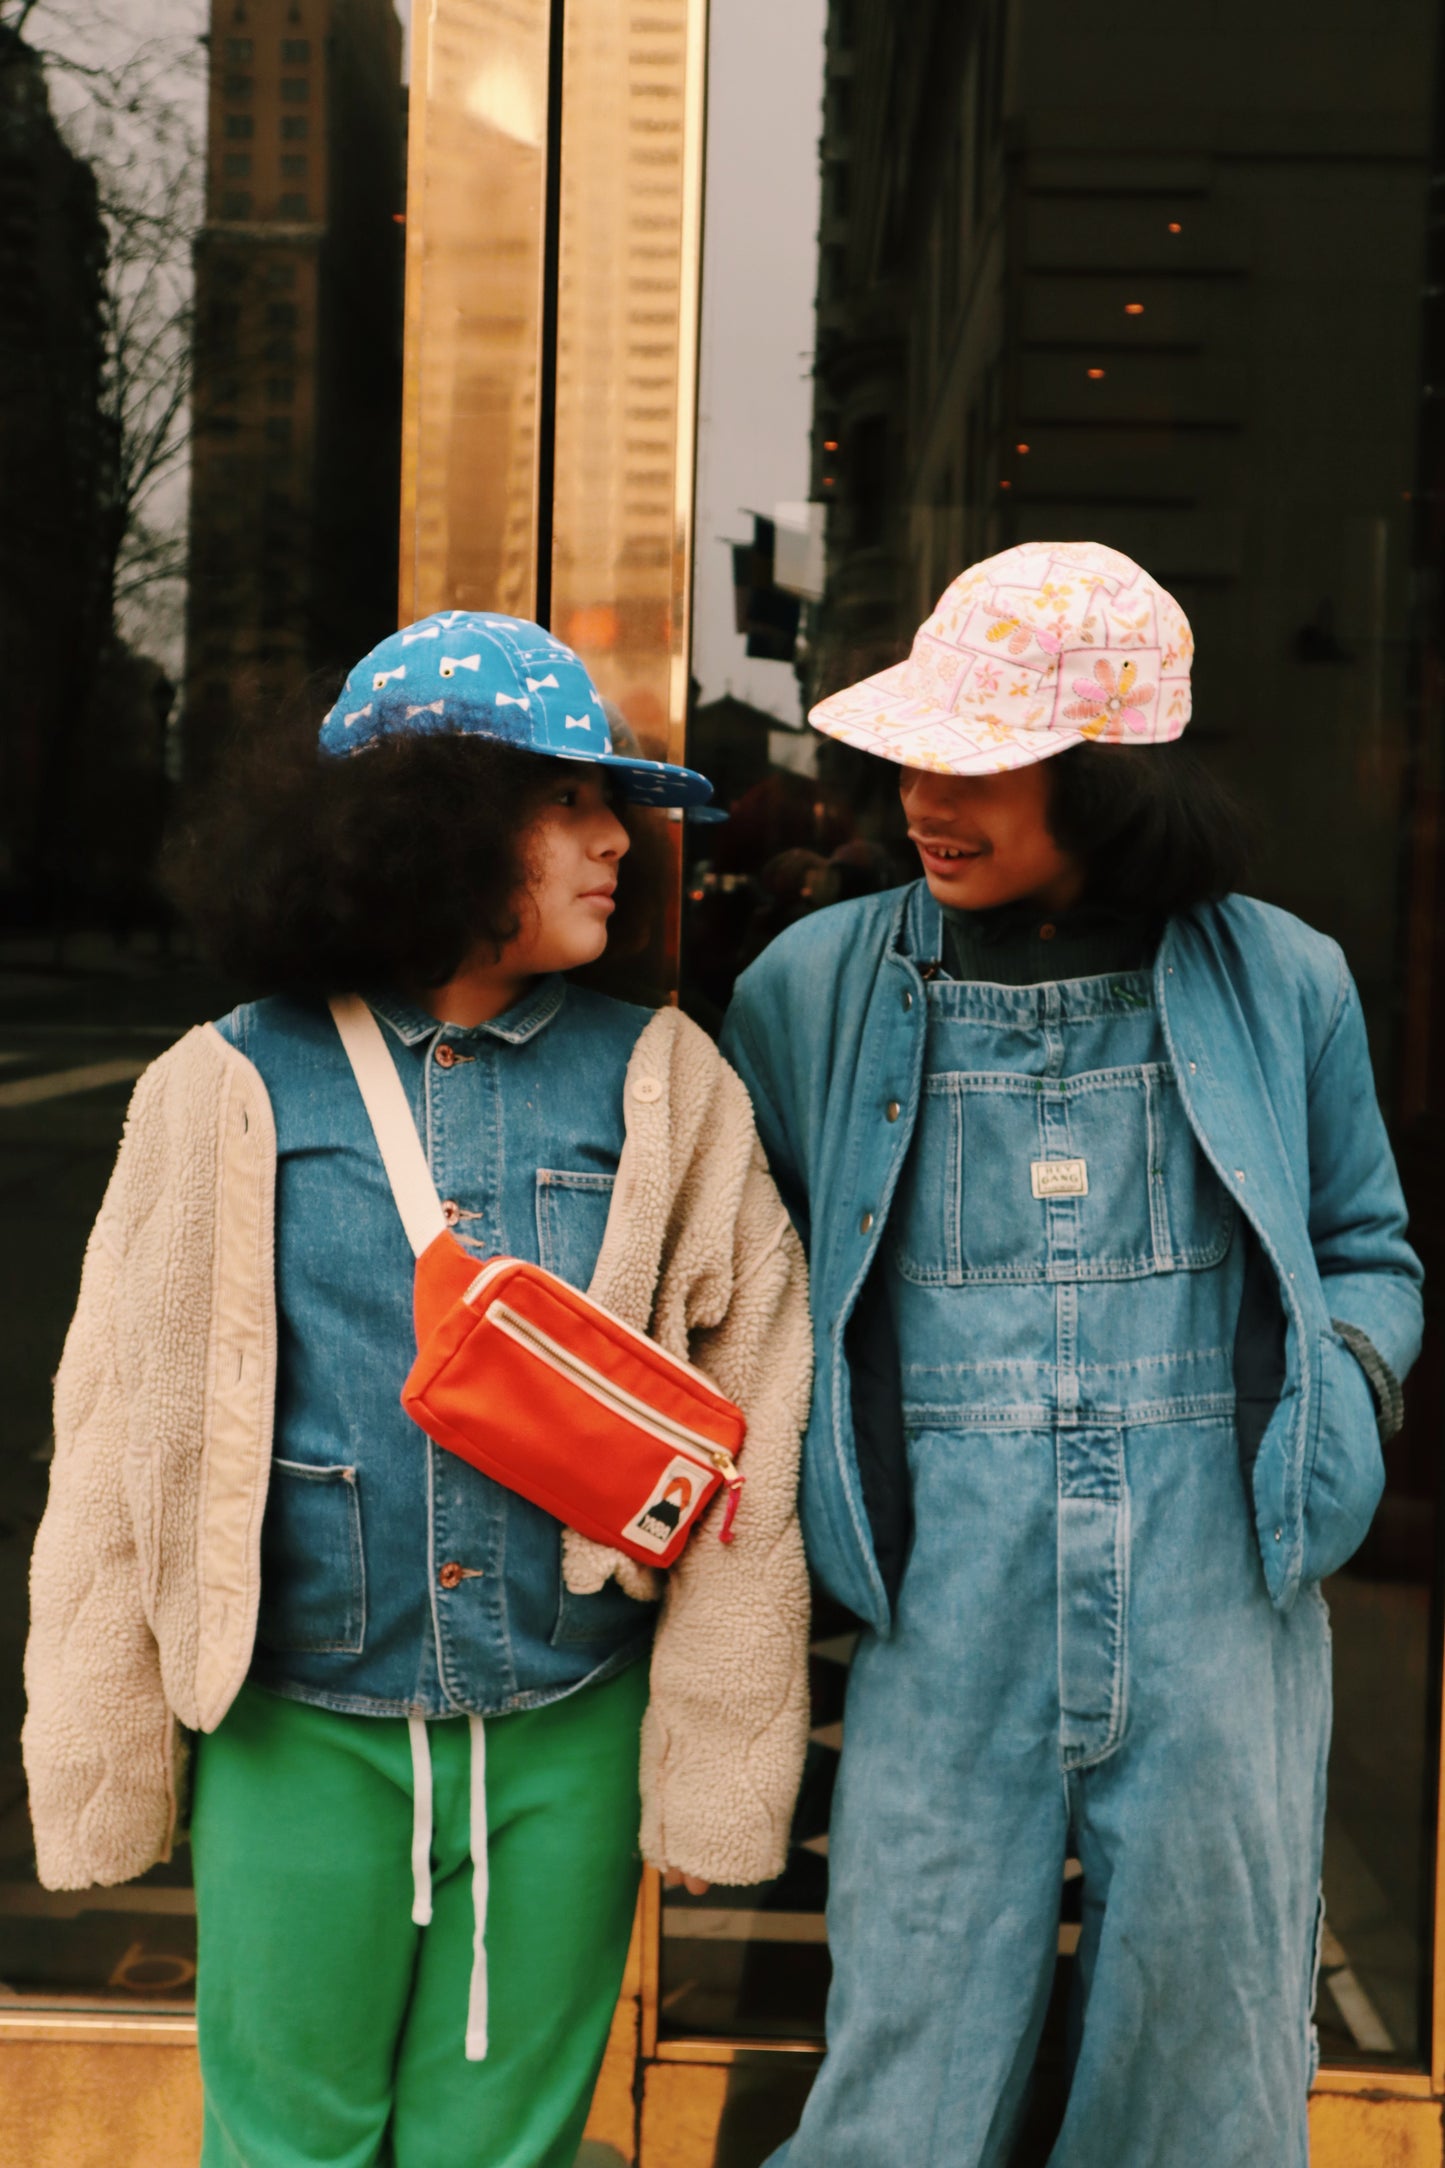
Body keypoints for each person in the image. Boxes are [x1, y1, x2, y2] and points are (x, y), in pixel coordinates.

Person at [23, 612, 813, 2168]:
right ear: (429, 828)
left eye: (610, 805)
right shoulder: (223, 1082)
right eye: (565, 803)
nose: (616, 842)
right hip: (297, 1725)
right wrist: (102, 1753)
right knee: (285, 2142)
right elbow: (121, 1432)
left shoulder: (666, 1080)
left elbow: (756, 1433)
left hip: (570, 1723)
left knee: (501, 2148)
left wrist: (715, 1763)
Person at [720, 541, 1423, 2167]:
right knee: (904, 2059)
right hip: (939, 1609)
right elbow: (743, 1275)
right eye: (915, 755)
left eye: (976, 761)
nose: (923, 797)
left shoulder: (1283, 979)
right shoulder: (812, 989)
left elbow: (1367, 1249)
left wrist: (1333, 1405)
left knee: (1206, 2062)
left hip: (1220, 1601)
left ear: (1104, 777)